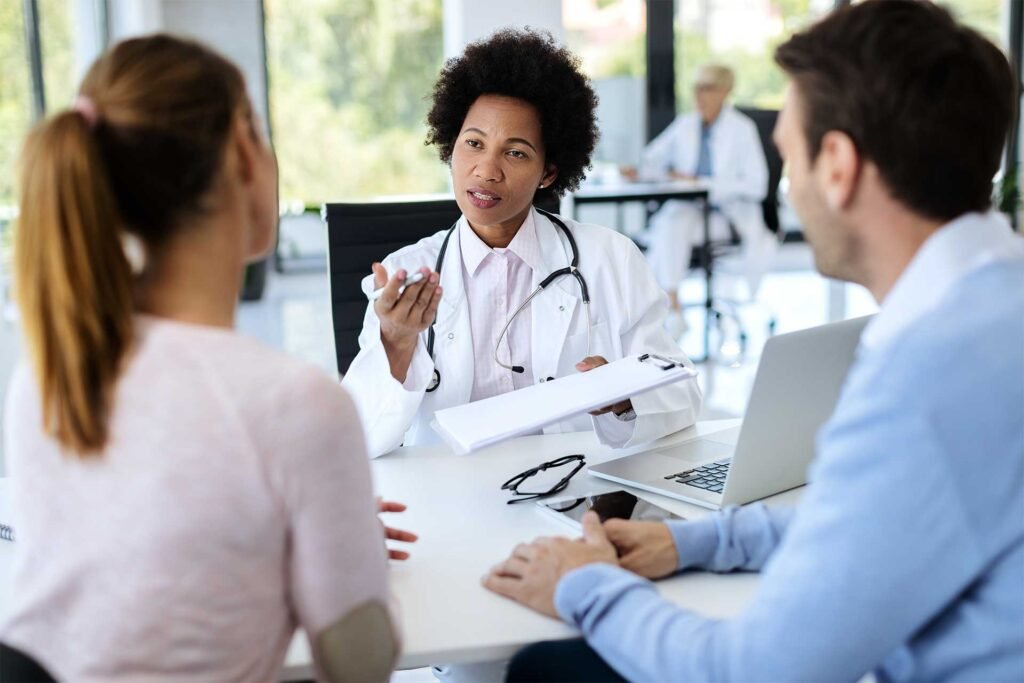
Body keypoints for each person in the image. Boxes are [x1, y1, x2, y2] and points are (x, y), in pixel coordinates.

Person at [484, 2, 1024, 680]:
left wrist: (584, 580)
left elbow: (751, 670)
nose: (786, 186)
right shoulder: (994, 308)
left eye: (787, 157)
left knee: (545, 669)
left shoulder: (925, 381)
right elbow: (863, 525)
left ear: (837, 164)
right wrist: (691, 541)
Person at [0, 35, 406, 682]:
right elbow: (360, 662)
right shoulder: (296, 404)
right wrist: (342, 549)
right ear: (243, 154)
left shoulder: (49, 379)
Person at [343, 29, 703, 458]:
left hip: (574, 494)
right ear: (450, 147)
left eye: (515, 153)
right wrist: (397, 342)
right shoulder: (407, 275)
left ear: (548, 172)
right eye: (473, 144)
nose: (486, 170)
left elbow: (683, 396)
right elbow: (357, 439)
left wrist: (623, 398)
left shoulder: (610, 258)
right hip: (452, 500)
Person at [632, 63, 772, 336]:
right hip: (690, 210)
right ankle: (672, 304)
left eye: (708, 89)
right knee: (673, 220)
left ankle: (666, 309)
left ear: (725, 91)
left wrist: (702, 183)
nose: (700, 95)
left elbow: (758, 185)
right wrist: (651, 169)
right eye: (697, 88)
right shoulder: (686, 124)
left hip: (728, 215)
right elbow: (651, 159)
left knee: (669, 227)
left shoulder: (742, 129)